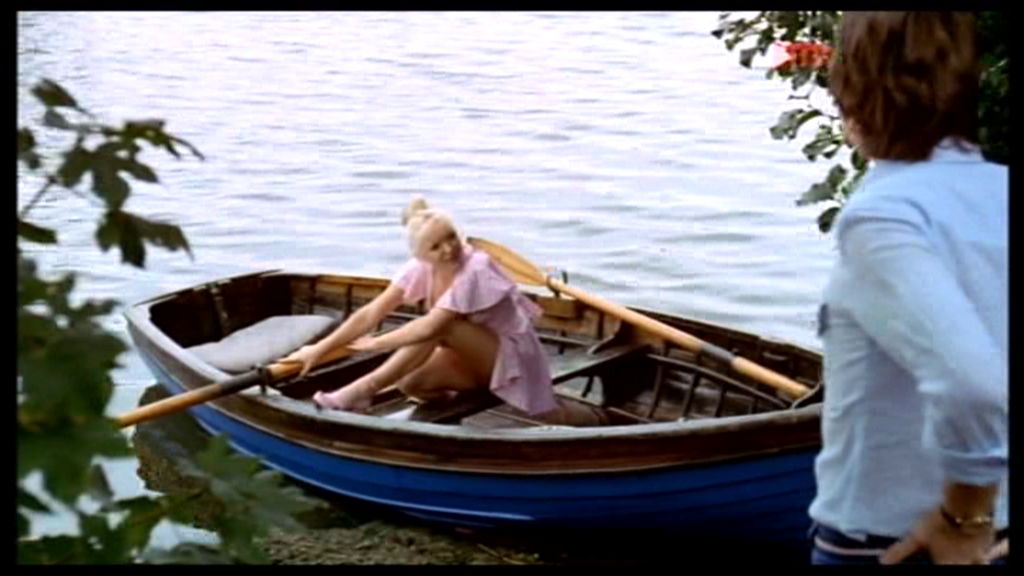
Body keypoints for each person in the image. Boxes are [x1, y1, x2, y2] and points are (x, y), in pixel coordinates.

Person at [808, 12, 1008, 565]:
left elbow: (974, 385)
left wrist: (965, 513)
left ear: (852, 91)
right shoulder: (1002, 192)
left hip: (899, 544)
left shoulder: (881, 217)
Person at [282, 196, 597, 424]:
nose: (448, 249)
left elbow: (432, 326)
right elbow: (371, 313)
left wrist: (377, 343)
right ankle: (457, 416)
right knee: (410, 383)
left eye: (451, 237)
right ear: (421, 253)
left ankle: (364, 390)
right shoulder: (420, 267)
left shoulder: (476, 268)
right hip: (470, 361)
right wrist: (319, 349)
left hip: (511, 359)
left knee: (445, 327)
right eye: (436, 246)